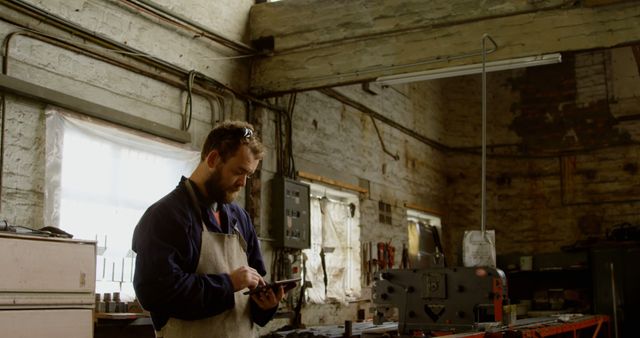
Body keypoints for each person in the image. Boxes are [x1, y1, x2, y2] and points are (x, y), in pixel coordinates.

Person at [132, 121, 283, 337]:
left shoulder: (241, 219)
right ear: (213, 159)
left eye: (248, 175)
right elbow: (155, 293)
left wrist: (266, 306)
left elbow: (251, 294)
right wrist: (228, 283)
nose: (243, 183)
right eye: (239, 171)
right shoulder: (166, 216)